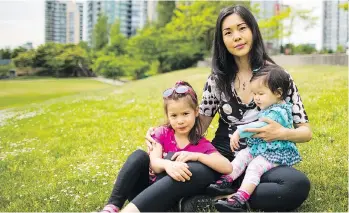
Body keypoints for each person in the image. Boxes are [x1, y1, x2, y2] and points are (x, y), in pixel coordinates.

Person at [146, 5, 312, 212]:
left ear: (253, 30)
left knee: (296, 186)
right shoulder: (217, 79)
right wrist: (162, 135)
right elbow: (198, 127)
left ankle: (219, 198)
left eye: (242, 28)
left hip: (264, 156)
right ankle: (226, 192)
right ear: (222, 40)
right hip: (222, 156)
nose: (237, 37)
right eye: (228, 32)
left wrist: (283, 133)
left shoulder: (277, 76)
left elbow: (306, 131)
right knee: (178, 167)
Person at [100, 81, 232, 213]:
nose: (180, 121)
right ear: (168, 116)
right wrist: (168, 165)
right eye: (174, 116)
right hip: (144, 193)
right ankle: (112, 206)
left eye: (185, 114)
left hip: (168, 198)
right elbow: (155, 163)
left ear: (196, 112)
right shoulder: (161, 133)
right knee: (139, 156)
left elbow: (227, 167)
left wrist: (198, 156)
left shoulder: (200, 144)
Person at [213, 64, 303, 212]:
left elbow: (259, 126)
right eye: (254, 93)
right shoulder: (271, 107)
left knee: (255, 166)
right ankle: (226, 180)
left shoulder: (278, 111)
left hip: (274, 153)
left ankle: (240, 198)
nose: (256, 98)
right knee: (243, 155)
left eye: (260, 94)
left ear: (278, 93)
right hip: (262, 147)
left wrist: (239, 132)